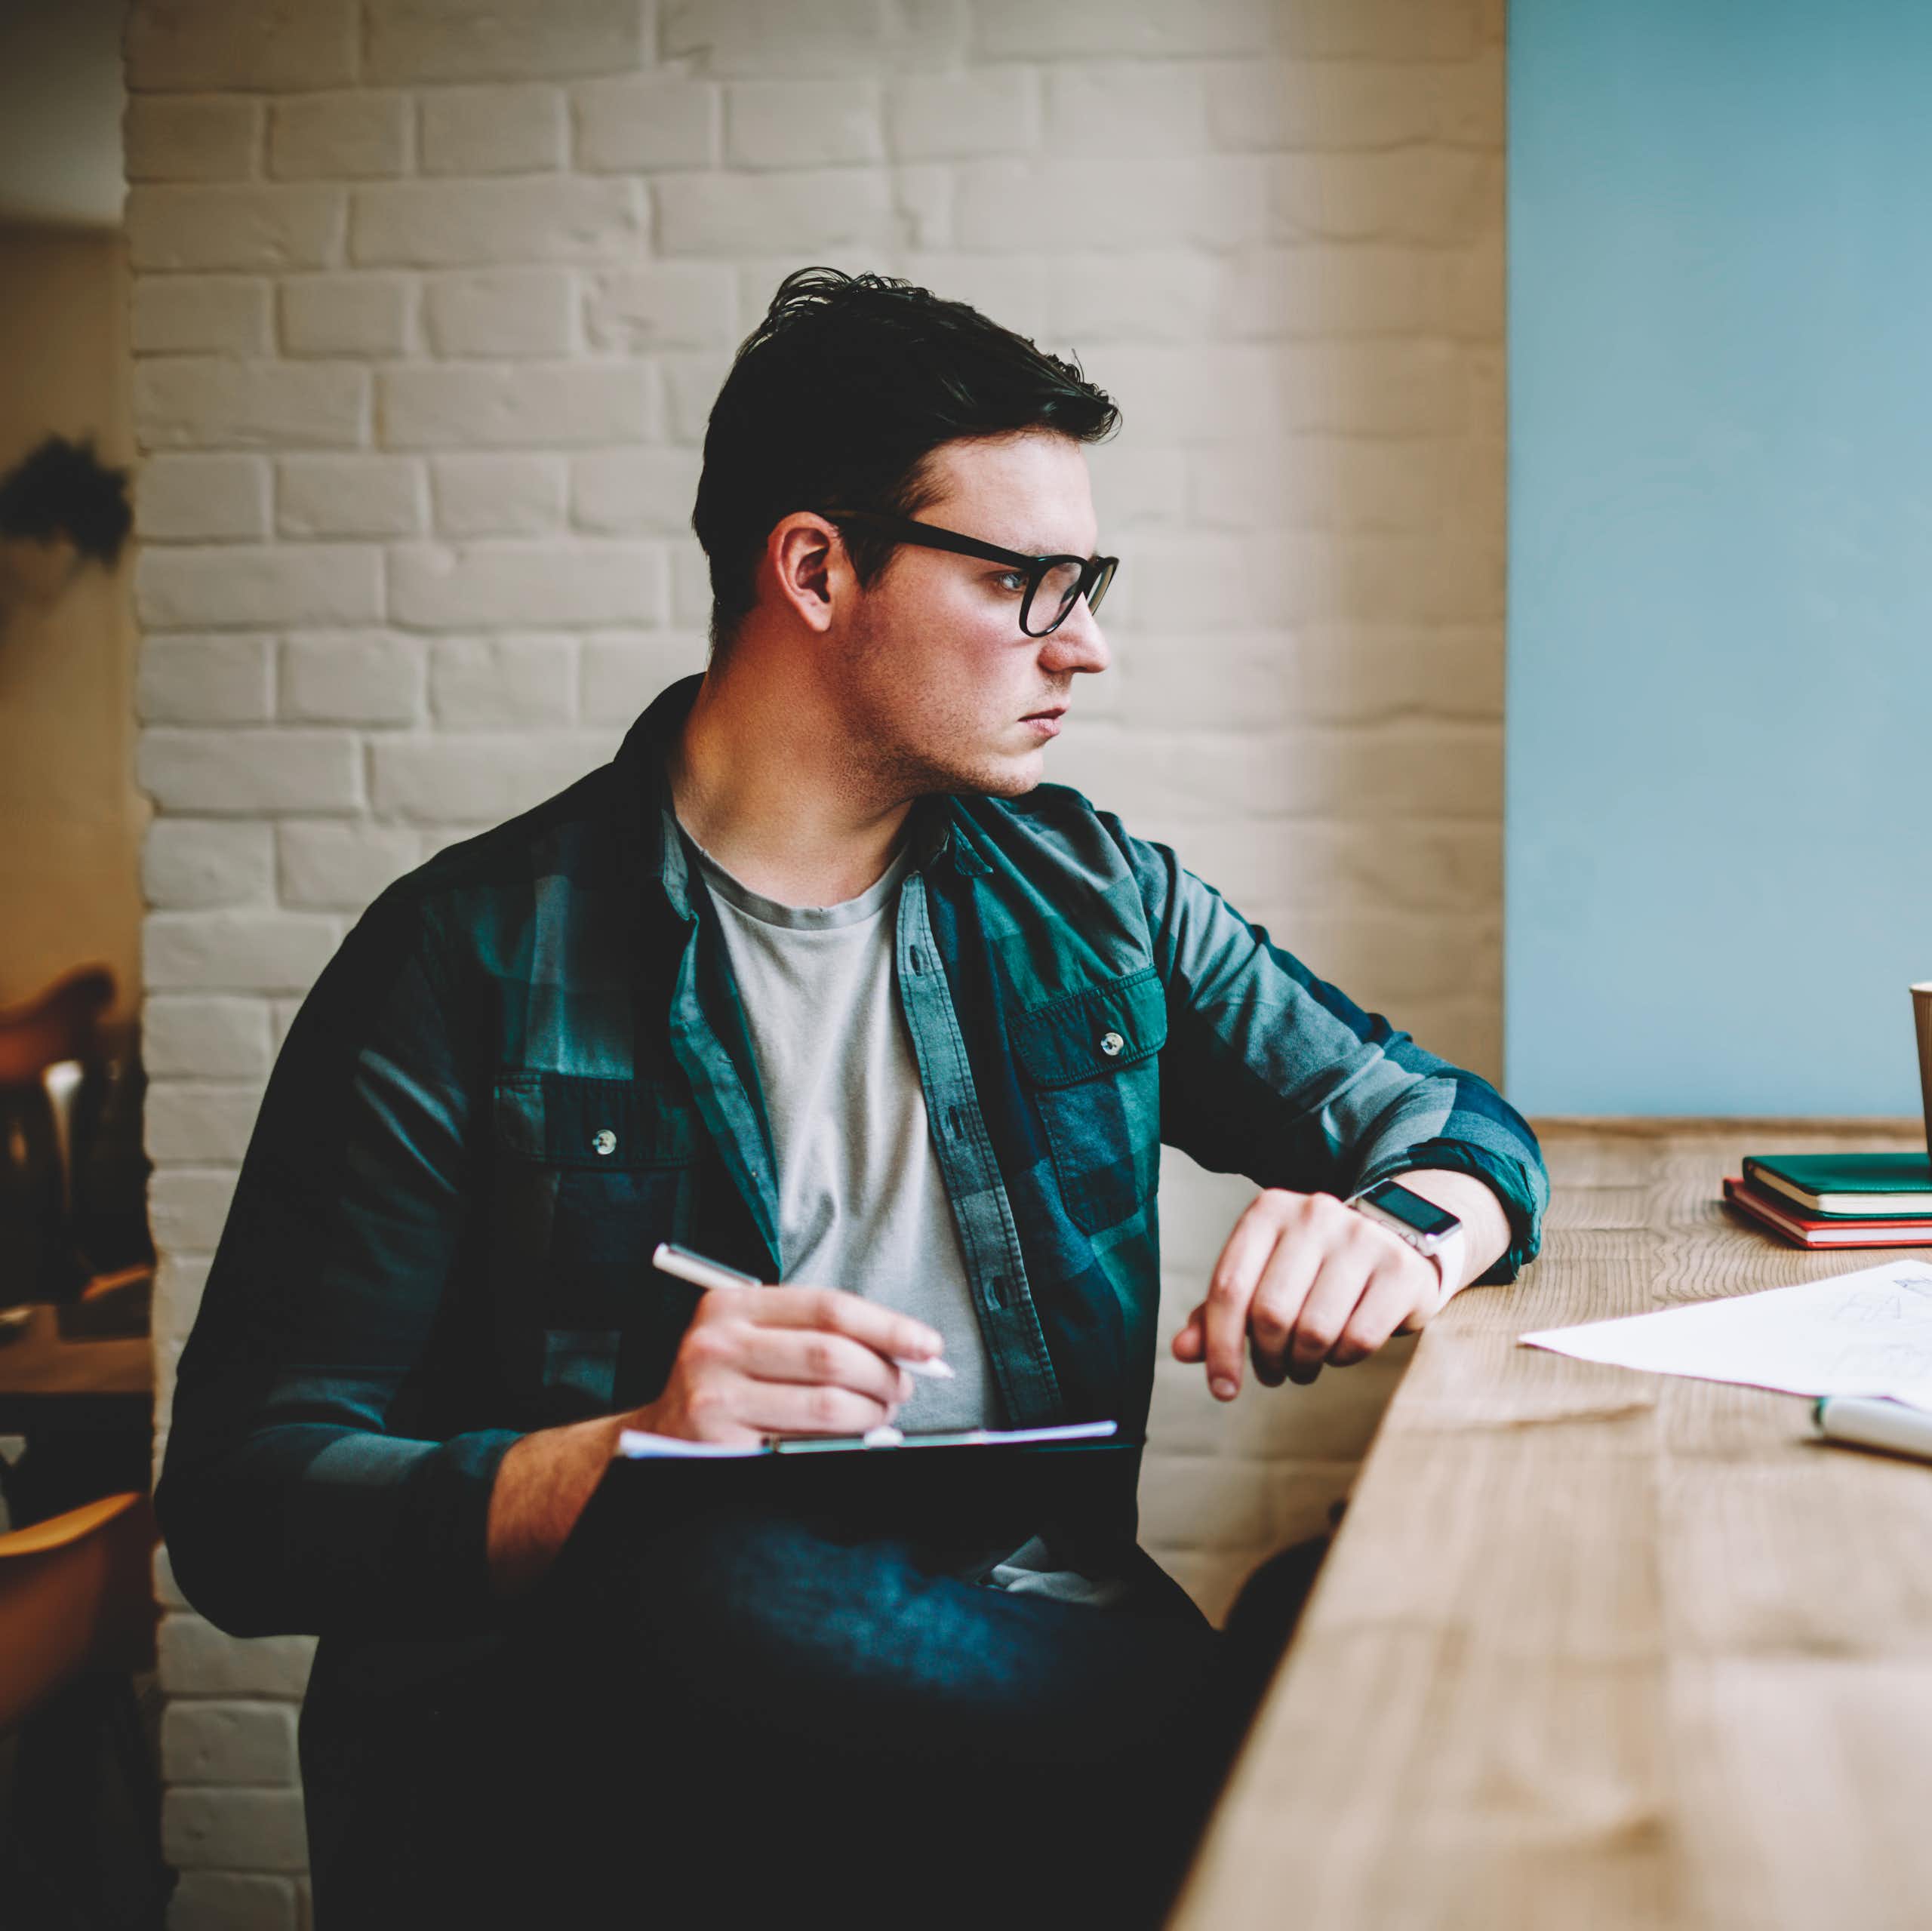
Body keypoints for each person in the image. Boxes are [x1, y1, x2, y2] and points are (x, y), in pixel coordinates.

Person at [157, 268, 1549, 1927]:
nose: (1087, 644)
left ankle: (1279, 1740)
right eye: (1029, 582)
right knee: (709, 1560)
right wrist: (621, 1456)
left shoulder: (1090, 899)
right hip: (628, 1757)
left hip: (1029, 1666)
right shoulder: (463, 961)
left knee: (1332, 1591)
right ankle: (1279, 1750)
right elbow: (246, 1502)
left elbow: (1449, 1122)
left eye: (1086, 581)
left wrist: (1401, 1229)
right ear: (816, 568)